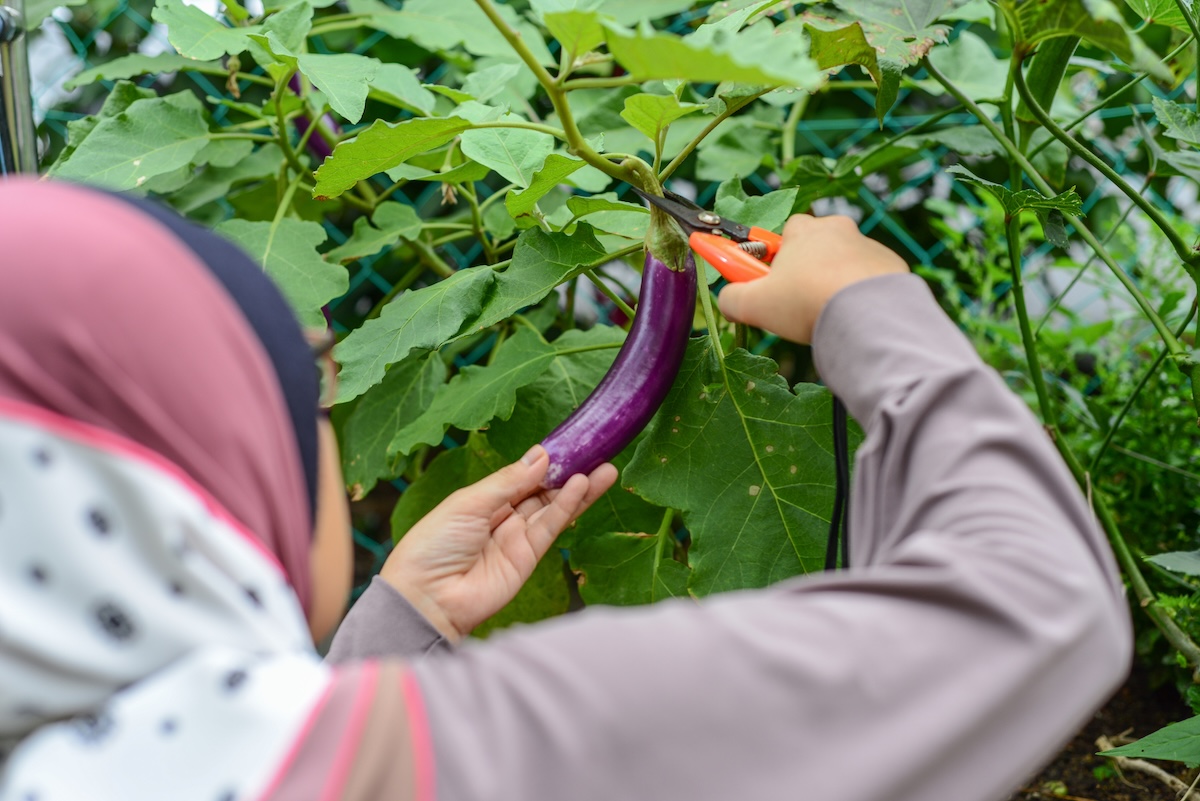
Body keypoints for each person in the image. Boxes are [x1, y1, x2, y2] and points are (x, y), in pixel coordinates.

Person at [0, 177, 1130, 801]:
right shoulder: (488, 752)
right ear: (196, 495)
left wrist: (399, 625)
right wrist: (870, 305)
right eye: (302, 396)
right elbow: (1041, 606)